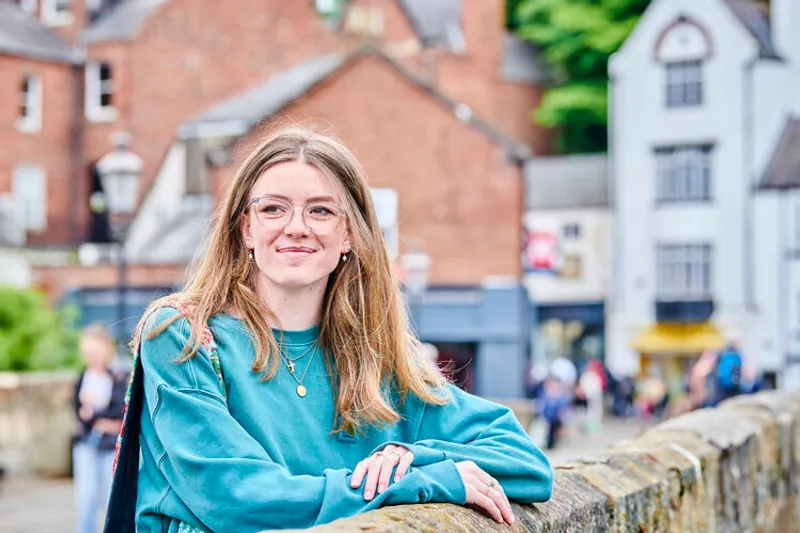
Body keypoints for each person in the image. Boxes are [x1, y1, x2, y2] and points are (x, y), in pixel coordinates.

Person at [106, 126, 553, 533]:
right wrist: (408, 483)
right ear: (245, 229)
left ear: (348, 236)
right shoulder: (184, 338)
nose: (296, 228)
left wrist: (418, 456)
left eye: (320, 211)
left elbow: (527, 464)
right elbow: (237, 500)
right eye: (273, 208)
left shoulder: (377, 363)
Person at [73, 323, 127, 533]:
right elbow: (79, 413)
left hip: (109, 447)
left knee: (109, 498)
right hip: (87, 444)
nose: (92, 357)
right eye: (88, 353)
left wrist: (95, 413)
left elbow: (119, 412)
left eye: (95, 352)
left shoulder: (117, 377)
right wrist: (96, 418)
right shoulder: (82, 378)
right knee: (86, 500)